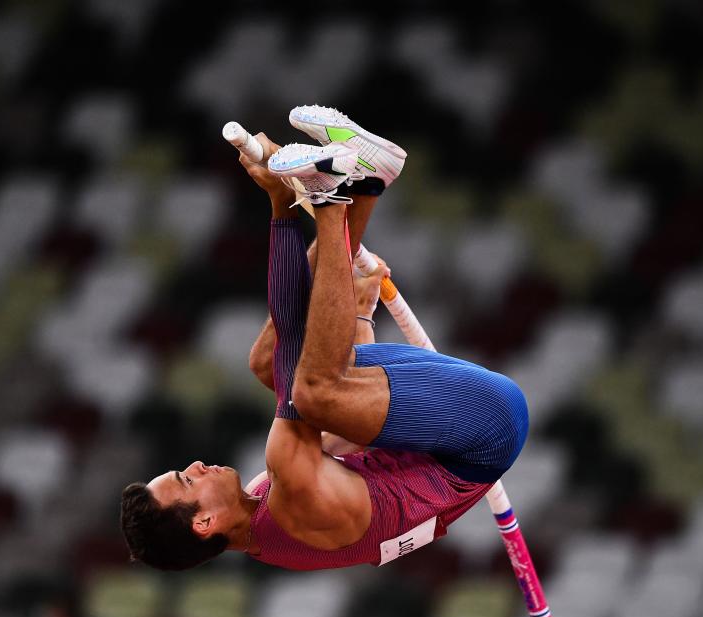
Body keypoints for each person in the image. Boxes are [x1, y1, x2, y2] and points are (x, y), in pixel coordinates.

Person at [120, 106, 528, 571]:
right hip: (486, 430)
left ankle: (370, 181)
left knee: (267, 362)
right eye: (185, 481)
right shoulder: (294, 502)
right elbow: (302, 348)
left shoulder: (266, 507)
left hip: (445, 434)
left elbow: (348, 429)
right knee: (307, 389)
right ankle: (339, 195)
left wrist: (358, 313)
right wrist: (288, 207)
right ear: (204, 523)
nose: (194, 466)